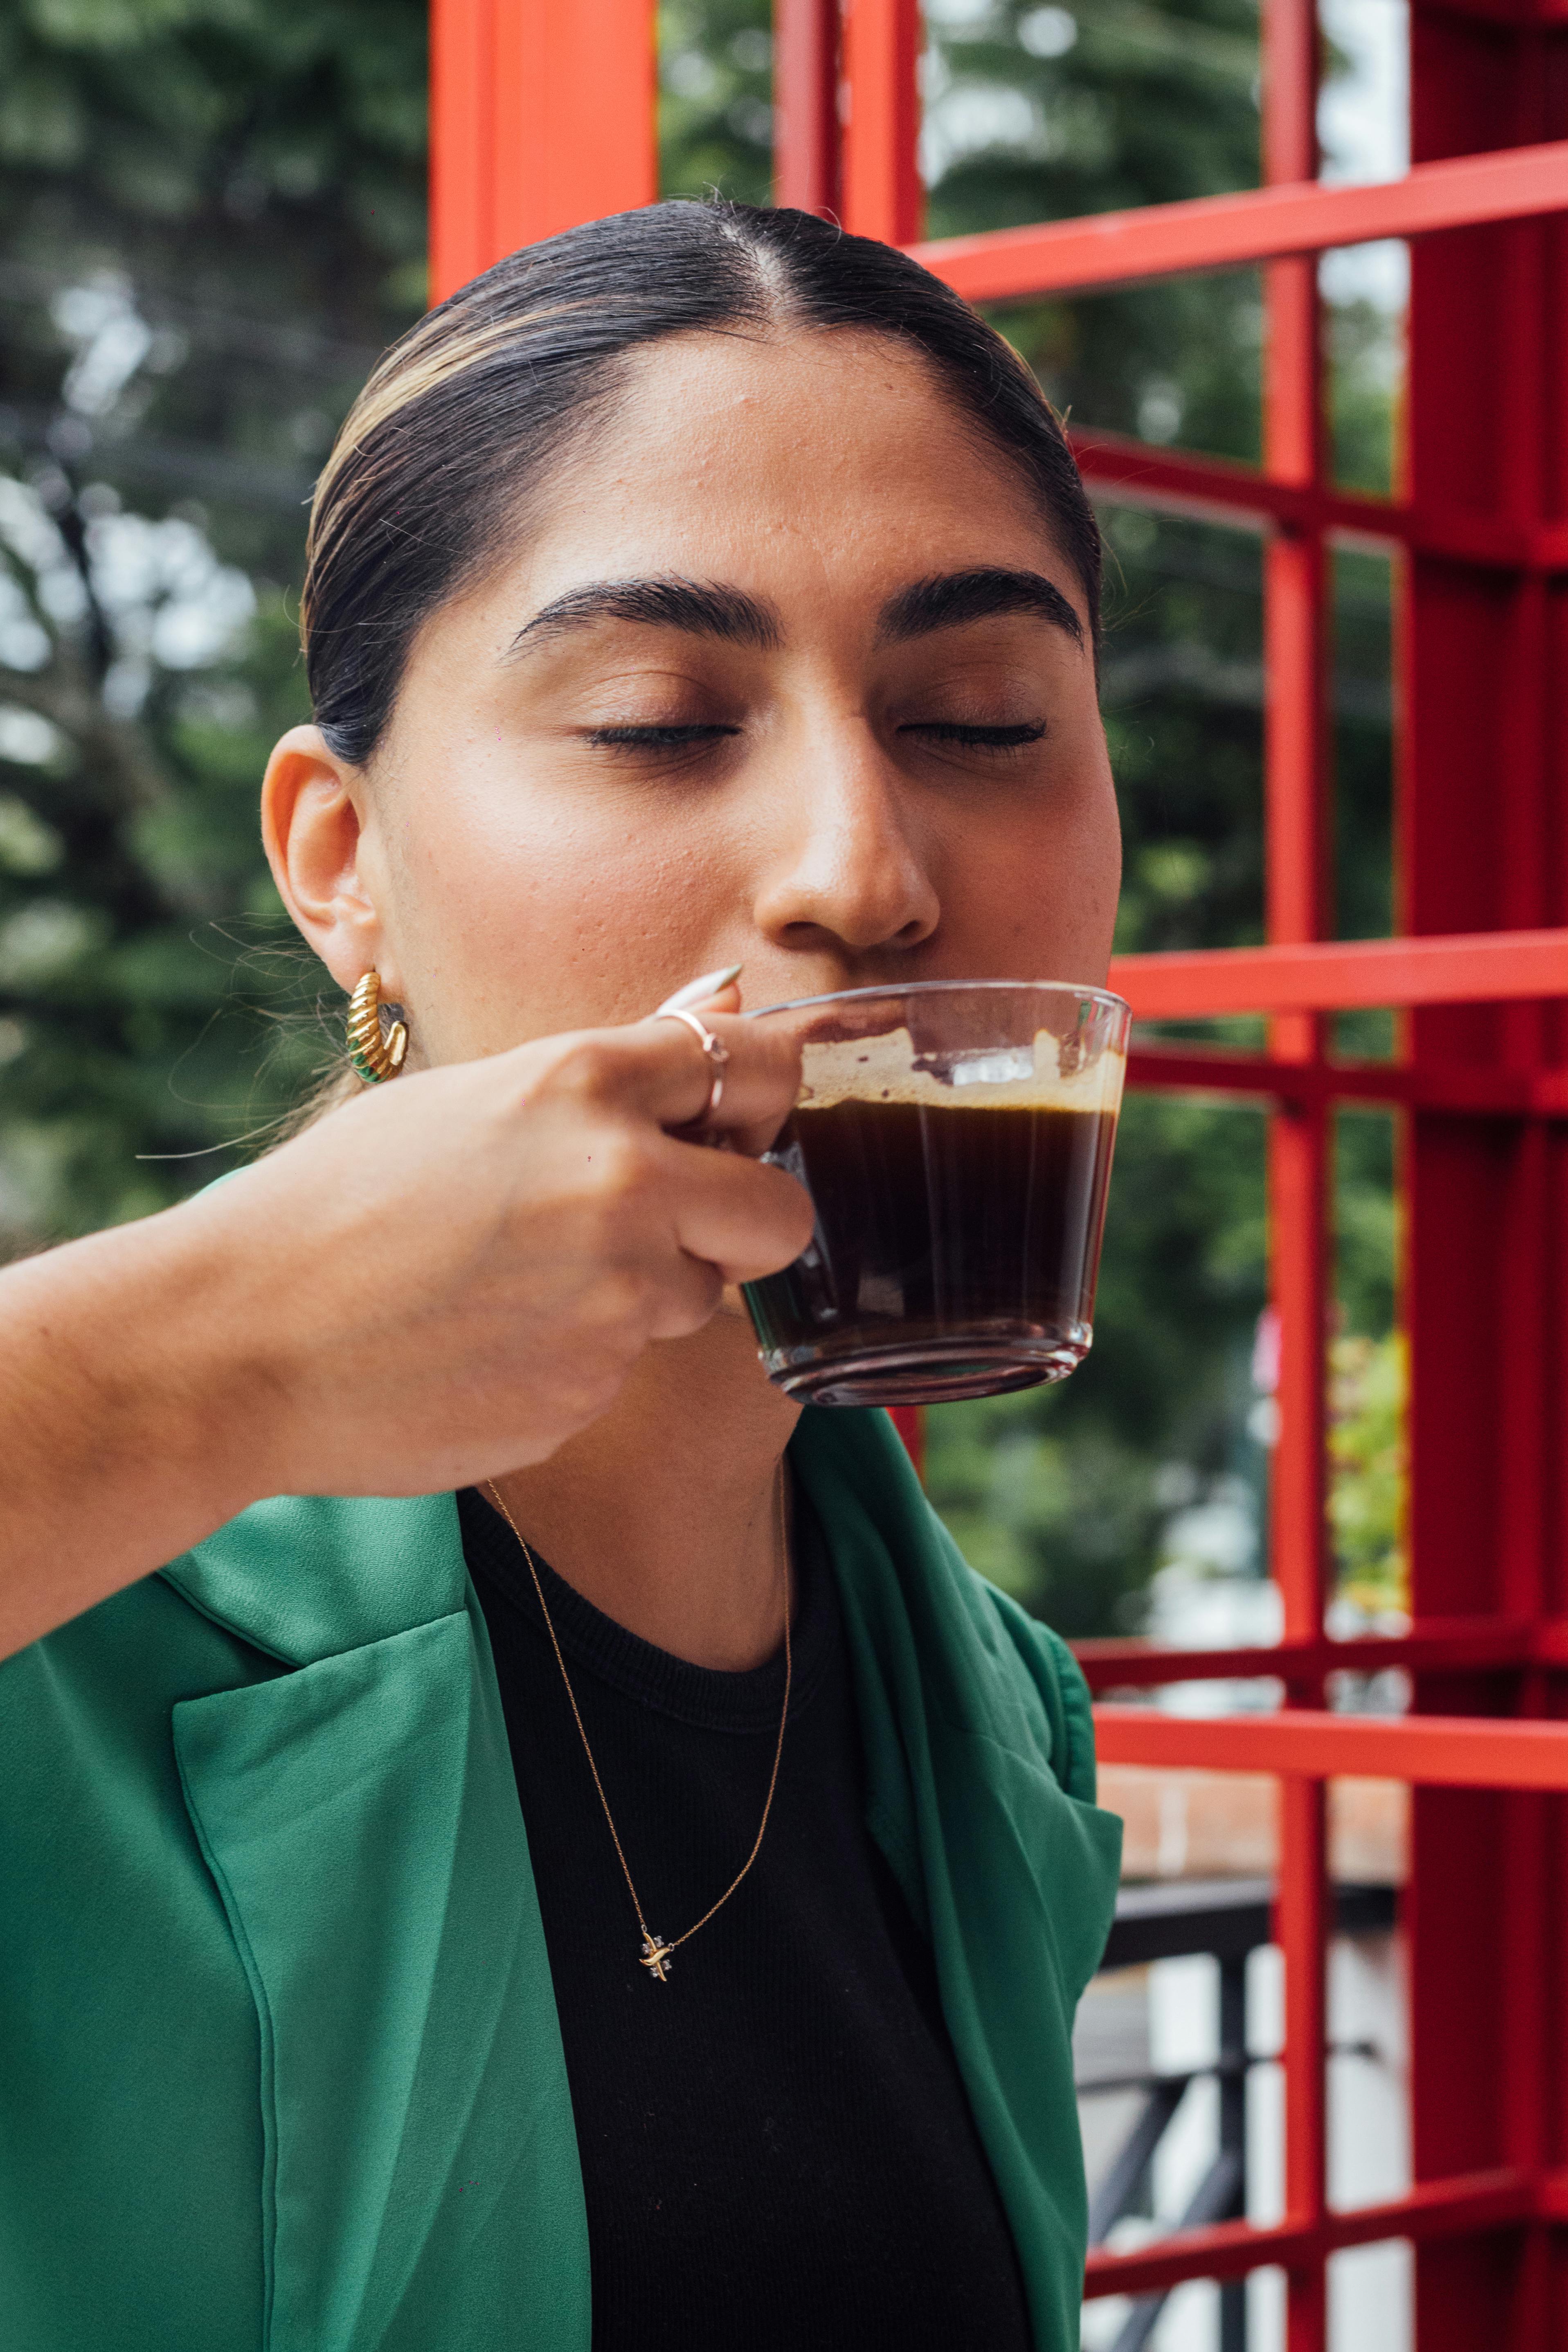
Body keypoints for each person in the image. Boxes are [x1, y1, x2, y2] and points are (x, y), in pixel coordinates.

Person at [0, 200, 1123, 2352]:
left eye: (981, 717)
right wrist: (209, 1362)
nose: (861, 871)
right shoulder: (59, 1640)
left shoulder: (996, 1727)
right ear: (344, 868)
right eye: (654, 717)